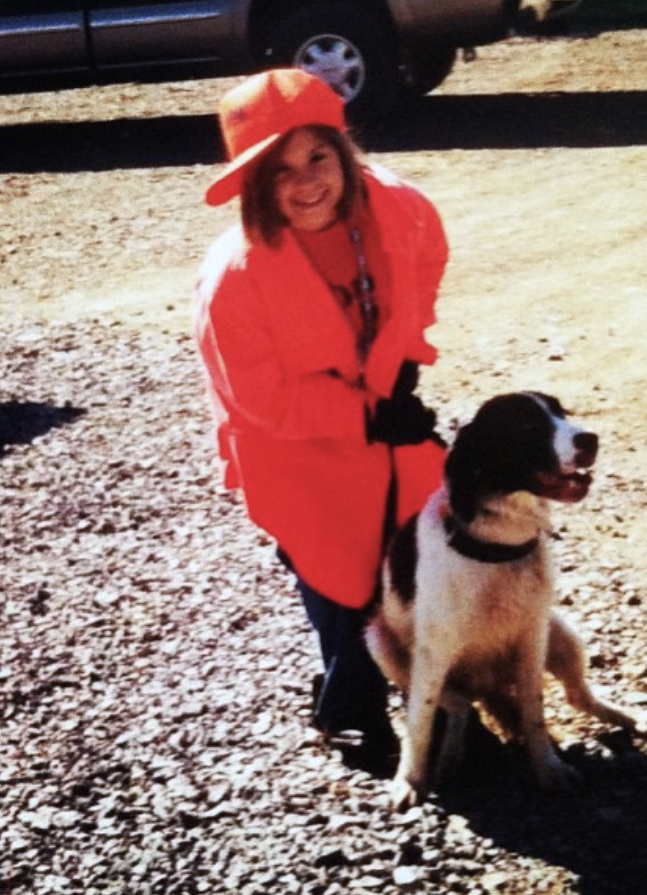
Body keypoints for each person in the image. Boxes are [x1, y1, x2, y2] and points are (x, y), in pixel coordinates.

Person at [193, 69, 448, 765]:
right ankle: (352, 706)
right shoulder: (234, 279)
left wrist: (407, 354)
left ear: (344, 153)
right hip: (291, 448)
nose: (305, 184)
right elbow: (261, 397)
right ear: (253, 185)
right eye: (279, 171)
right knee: (340, 576)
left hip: (382, 419)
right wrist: (365, 417)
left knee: (416, 550)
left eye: (318, 158)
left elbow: (424, 265)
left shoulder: (398, 207)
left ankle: (433, 695)